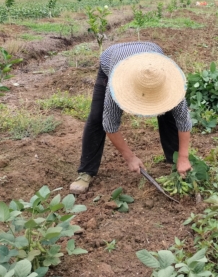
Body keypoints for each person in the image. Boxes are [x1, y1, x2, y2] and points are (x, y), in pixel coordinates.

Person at [69, 42, 193, 194]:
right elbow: (109, 124)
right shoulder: (117, 84)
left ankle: (176, 162)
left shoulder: (171, 84)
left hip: (151, 52)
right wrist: (130, 158)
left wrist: (183, 156)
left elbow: (183, 121)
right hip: (112, 58)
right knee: (97, 117)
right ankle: (85, 172)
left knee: (169, 113)